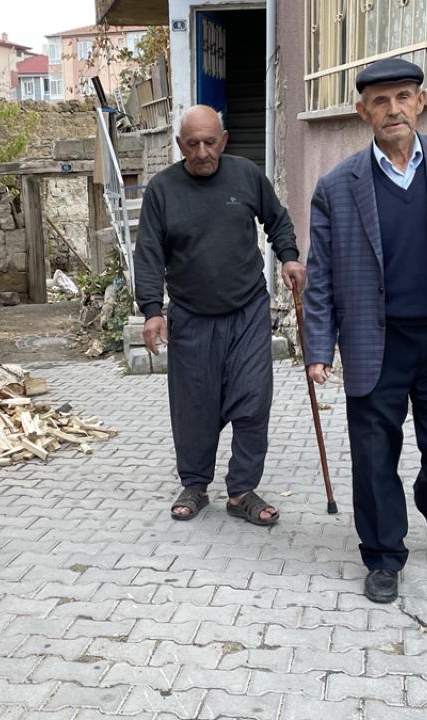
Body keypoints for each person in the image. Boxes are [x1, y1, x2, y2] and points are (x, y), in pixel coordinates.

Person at [303, 59, 427, 603]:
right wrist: (318, 347)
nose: (393, 109)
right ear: (362, 111)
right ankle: (383, 555)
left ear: (420, 102)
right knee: (373, 457)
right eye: (380, 101)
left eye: (403, 97)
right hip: (376, 341)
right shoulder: (337, 186)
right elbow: (321, 274)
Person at [133, 104, 306, 526]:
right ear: (180, 145)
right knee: (194, 405)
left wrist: (288, 257)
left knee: (253, 400)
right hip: (192, 316)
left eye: (210, 142)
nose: (202, 152)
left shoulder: (246, 175)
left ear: (223, 140)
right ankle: (194, 485)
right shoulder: (162, 190)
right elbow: (149, 253)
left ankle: (242, 491)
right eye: (192, 144)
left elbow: (277, 220)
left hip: (247, 310)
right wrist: (152, 311)